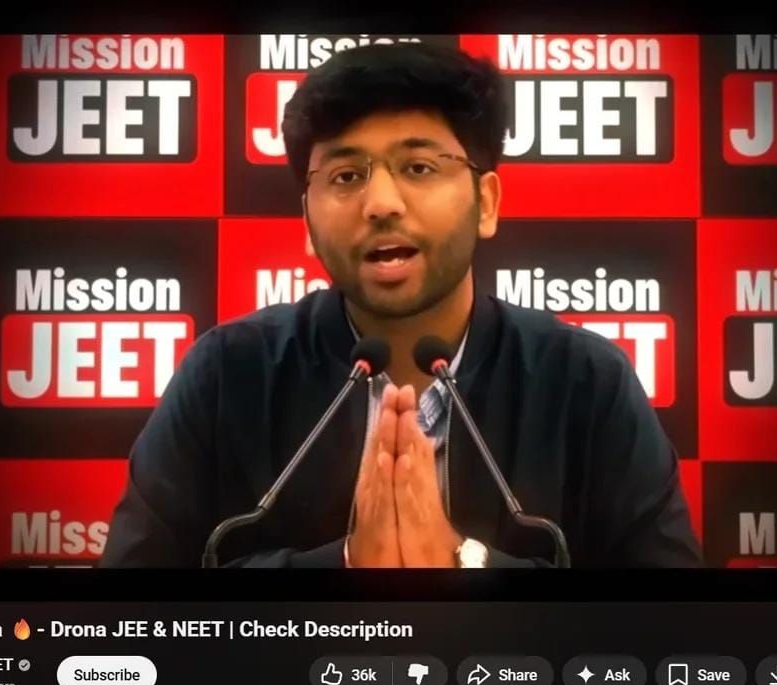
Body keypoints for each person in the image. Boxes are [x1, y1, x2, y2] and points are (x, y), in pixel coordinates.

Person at [100, 42, 702, 568]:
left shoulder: (585, 381)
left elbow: (674, 632)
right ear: (306, 219)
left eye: (418, 167)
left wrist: (465, 563)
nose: (381, 202)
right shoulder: (228, 372)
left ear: (487, 202)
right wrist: (341, 566)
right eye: (345, 176)